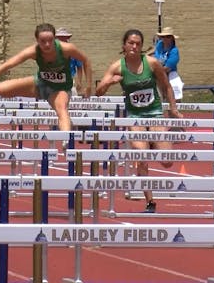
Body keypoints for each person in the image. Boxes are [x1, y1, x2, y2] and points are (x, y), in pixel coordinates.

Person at [95, 29, 182, 213]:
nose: (134, 46)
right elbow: (98, 91)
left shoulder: (151, 63)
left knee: (167, 161)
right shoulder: (117, 66)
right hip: (135, 117)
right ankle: (150, 201)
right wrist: (110, 82)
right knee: (140, 156)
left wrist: (173, 109)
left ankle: (154, 142)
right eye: (131, 43)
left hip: (155, 113)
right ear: (124, 46)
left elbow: (166, 86)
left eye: (138, 44)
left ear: (142, 47)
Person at [0, 23, 92, 133]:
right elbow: (8, 64)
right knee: (0, 89)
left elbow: (86, 60)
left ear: (55, 39)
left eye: (50, 41)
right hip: (40, 84)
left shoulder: (67, 48)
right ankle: (40, 96)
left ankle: (65, 142)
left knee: (62, 110)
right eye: (43, 41)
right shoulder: (33, 51)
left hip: (59, 89)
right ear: (37, 40)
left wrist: (89, 86)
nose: (47, 45)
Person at [146, 27, 183, 101]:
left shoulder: (174, 52)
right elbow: (155, 49)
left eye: (168, 37)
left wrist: (153, 72)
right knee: (157, 98)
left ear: (172, 38)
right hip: (157, 74)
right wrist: (146, 55)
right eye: (163, 37)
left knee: (173, 97)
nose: (165, 39)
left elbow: (166, 69)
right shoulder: (160, 44)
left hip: (169, 74)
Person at [55, 27, 85, 97]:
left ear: (67, 38)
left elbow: (79, 67)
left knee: (72, 101)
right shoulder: (52, 51)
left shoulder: (73, 51)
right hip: (55, 80)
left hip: (69, 80)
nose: (61, 39)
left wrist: (79, 81)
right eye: (59, 37)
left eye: (63, 37)